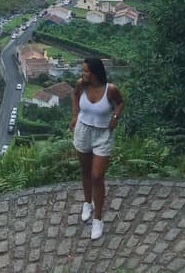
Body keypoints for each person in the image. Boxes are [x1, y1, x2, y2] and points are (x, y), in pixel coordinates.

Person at [70, 57, 124, 240]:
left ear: (94, 73)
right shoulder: (81, 85)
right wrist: (75, 116)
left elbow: (121, 103)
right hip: (83, 131)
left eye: (85, 71)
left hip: (102, 134)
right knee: (85, 171)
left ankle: (98, 219)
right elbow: (75, 97)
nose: (82, 74)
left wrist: (115, 118)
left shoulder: (111, 90)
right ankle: (87, 202)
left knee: (97, 176)